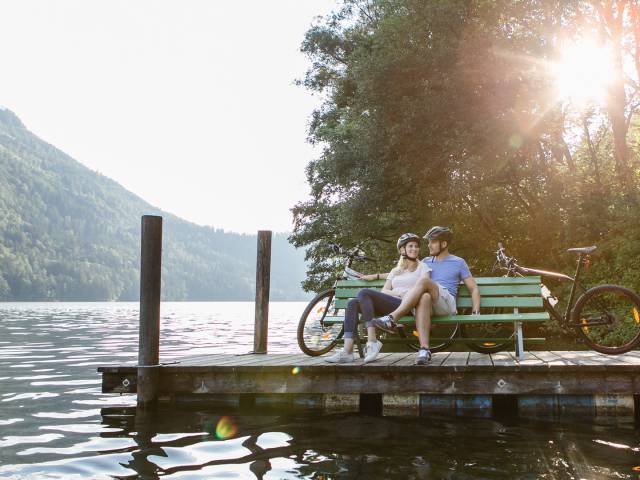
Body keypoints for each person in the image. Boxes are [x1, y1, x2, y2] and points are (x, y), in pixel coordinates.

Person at [372, 226, 481, 365]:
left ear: (444, 244)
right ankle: (424, 350)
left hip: (446, 303)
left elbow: (474, 288)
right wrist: (375, 276)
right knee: (424, 297)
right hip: (429, 302)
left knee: (424, 281)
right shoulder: (425, 262)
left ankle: (392, 318)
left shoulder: (458, 262)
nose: (428, 245)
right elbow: (401, 271)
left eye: (432, 242)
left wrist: (475, 311)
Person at [326, 233, 432, 364]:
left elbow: (424, 286)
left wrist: (404, 294)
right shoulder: (396, 271)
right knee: (352, 303)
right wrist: (401, 292)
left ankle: (372, 341)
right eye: (410, 246)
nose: (414, 249)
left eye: (416, 246)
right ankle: (347, 351)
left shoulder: (423, 267)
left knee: (364, 292)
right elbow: (385, 291)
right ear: (402, 250)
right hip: (392, 305)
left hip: (408, 306)